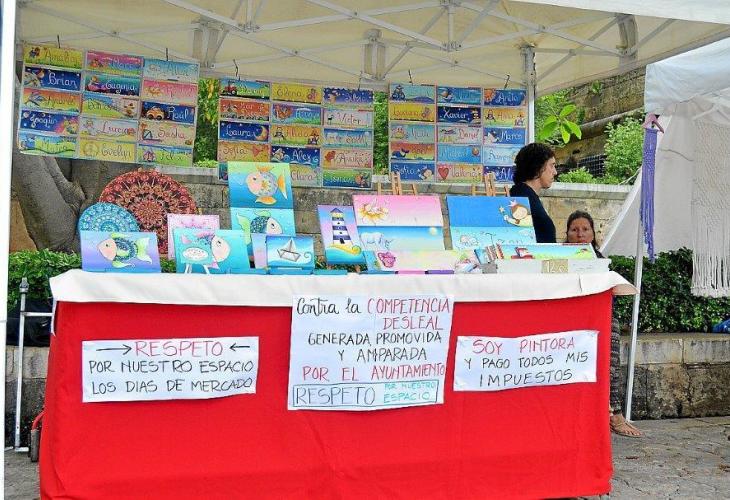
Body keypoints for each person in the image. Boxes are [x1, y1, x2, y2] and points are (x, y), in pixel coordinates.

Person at [566, 210, 643, 438]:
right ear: (567, 234)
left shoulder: (600, 262)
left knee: (611, 341)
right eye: (574, 230)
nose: (580, 234)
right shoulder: (556, 260)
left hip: (597, 320)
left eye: (585, 229)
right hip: (568, 321)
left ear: (593, 234)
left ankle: (614, 413)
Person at [509, 143, 557, 243]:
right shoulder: (524, 199)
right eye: (551, 166)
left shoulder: (525, 195)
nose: (555, 172)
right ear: (539, 167)